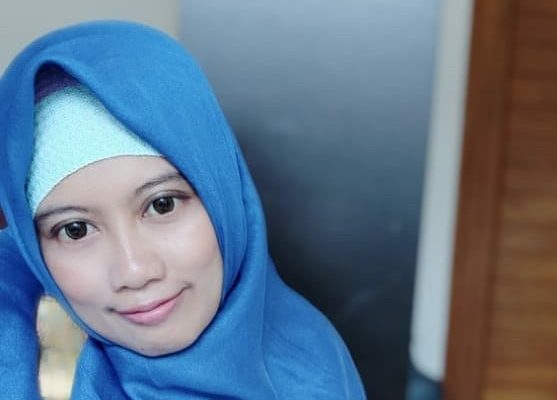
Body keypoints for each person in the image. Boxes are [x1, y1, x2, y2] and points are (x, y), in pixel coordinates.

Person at [0, 20, 365, 399]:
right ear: (33, 249)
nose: (135, 271)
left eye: (162, 205)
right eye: (75, 229)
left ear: (223, 197)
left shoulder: (314, 372)